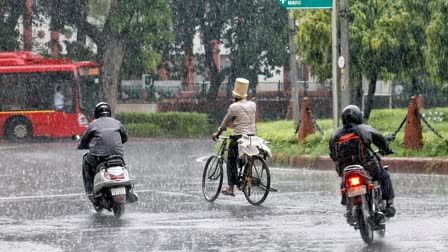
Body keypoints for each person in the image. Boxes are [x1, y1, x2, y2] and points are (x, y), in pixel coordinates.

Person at [329, 105, 396, 217]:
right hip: (367, 166)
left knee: (344, 184)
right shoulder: (364, 128)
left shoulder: (335, 134)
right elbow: (380, 139)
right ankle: (389, 205)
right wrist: (386, 149)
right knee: (384, 176)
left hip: (345, 169)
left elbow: (333, 155)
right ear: (359, 116)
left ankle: (348, 208)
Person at [77, 102, 136, 203]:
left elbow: (84, 140)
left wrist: (81, 146)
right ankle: (130, 190)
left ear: (96, 113)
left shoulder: (93, 124)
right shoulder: (117, 123)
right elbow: (125, 137)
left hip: (100, 158)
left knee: (86, 160)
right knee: (123, 165)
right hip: (117, 156)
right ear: (109, 112)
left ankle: (90, 190)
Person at [212, 78, 256, 196]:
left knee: (231, 160)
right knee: (243, 156)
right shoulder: (253, 105)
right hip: (251, 137)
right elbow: (244, 120)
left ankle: (231, 187)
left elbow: (225, 123)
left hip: (239, 138)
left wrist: (218, 133)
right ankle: (245, 173)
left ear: (234, 96)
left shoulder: (233, 107)